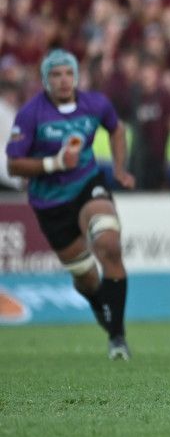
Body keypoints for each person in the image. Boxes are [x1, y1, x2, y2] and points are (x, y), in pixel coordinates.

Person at [5, 49, 136, 360]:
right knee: (86, 278)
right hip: (50, 201)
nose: (63, 80)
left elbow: (116, 129)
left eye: (68, 73)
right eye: (55, 74)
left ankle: (117, 337)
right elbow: (13, 165)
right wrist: (55, 163)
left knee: (109, 243)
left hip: (87, 183)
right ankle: (102, 310)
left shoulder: (96, 104)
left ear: (76, 76)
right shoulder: (31, 114)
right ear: (44, 80)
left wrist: (119, 168)